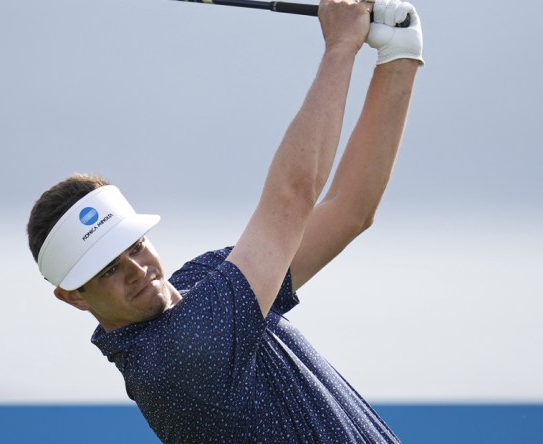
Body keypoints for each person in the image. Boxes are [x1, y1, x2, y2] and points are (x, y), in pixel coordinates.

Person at [26, 0, 423, 441]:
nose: (138, 270)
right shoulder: (178, 357)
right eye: (108, 270)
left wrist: (399, 56)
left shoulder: (203, 282)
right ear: (73, 298)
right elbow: (291, 197)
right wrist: (340, 47)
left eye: (133, 246)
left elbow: (350, 211)